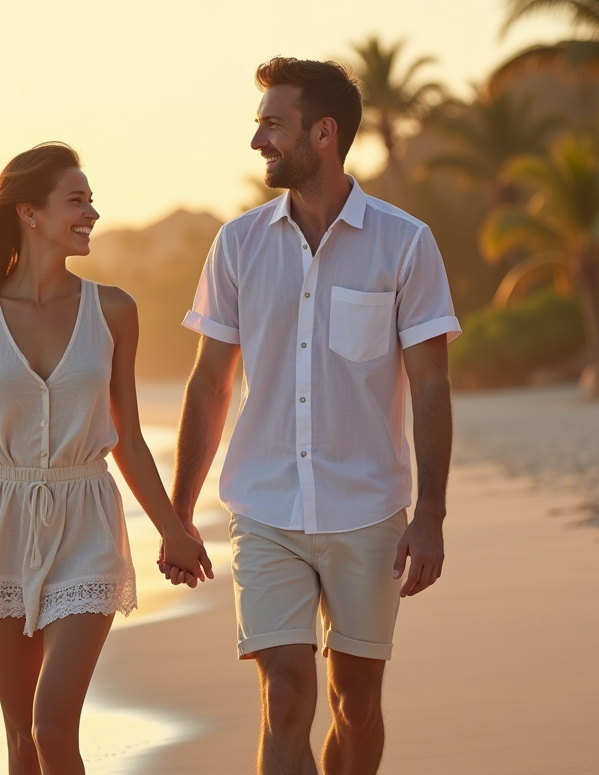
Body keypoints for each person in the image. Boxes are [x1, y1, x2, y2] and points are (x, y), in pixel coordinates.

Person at [163, 58, 461, 774]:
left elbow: (429, 387)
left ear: (323, 133)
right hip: (265, 509)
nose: (259, 140)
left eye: (273, 124)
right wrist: (177, 517)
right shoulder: (238, 245)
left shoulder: (405, 242)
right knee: (287, 698)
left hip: (369, 510)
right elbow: (209, 385)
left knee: (355, 704)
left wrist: (432, 515)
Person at [0, 142, 213, 775]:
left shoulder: (114, 310)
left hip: (87, 522)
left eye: (91, 201)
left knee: (51, 727)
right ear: (29, 213)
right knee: (21, 742)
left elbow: (125, 434)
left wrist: (173, 530)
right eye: (77, 200)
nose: (92, 213)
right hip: (0, 523)